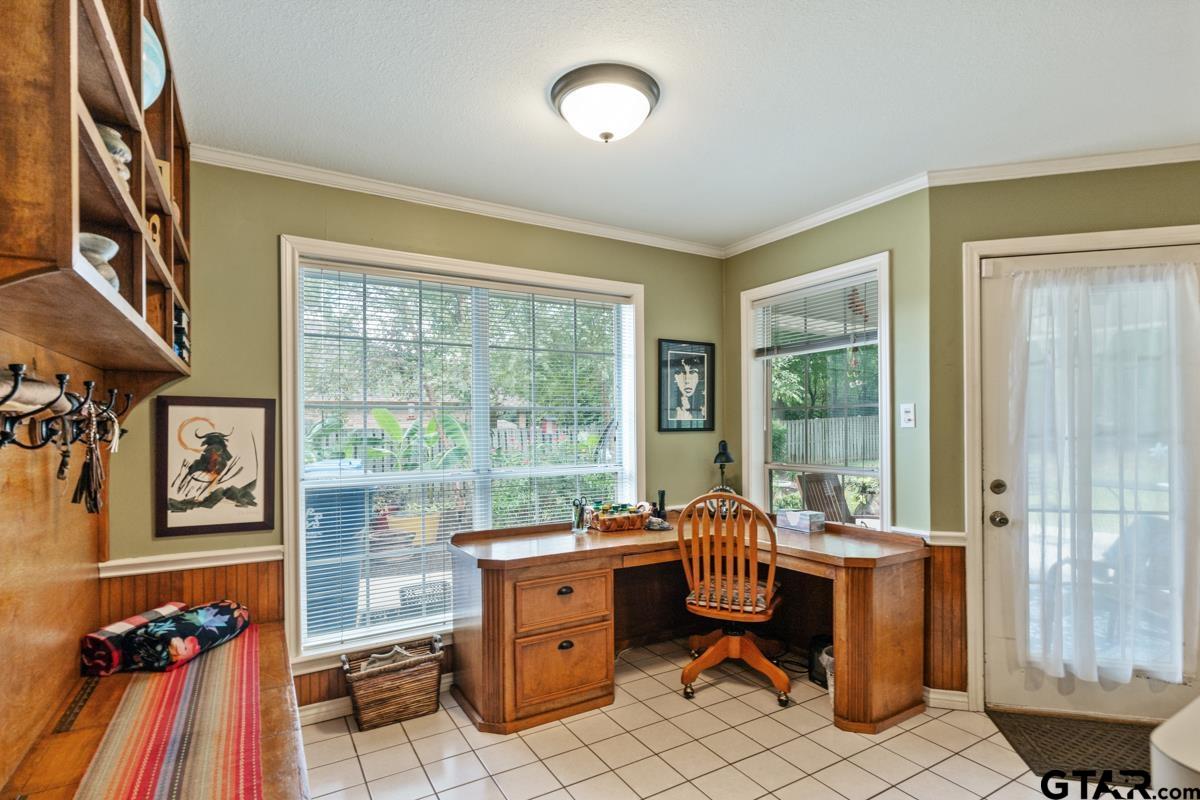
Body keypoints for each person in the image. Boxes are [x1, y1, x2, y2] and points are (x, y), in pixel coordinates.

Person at [670, 353, 706, 421]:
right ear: (675, 378)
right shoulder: (672, 408)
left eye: (692, 372)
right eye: (680, 372)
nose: (687, 380)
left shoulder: (704, 409)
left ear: (699, 377)